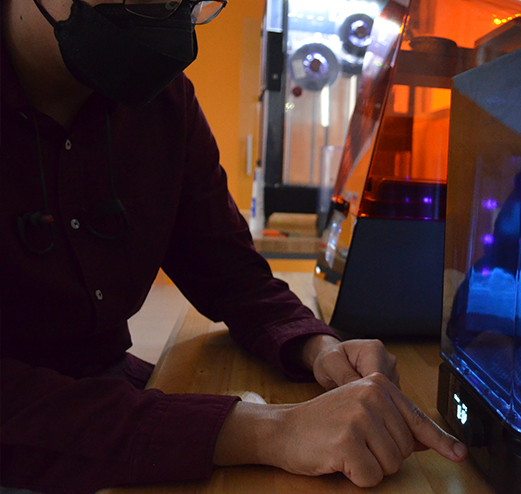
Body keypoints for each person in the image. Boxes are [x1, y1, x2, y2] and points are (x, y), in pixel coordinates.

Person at [0, 0, 467, 492]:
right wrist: (270, 430)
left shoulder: (163, 105)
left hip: (115, 396)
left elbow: (231, 274)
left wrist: (319, 348)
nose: (171, 19)